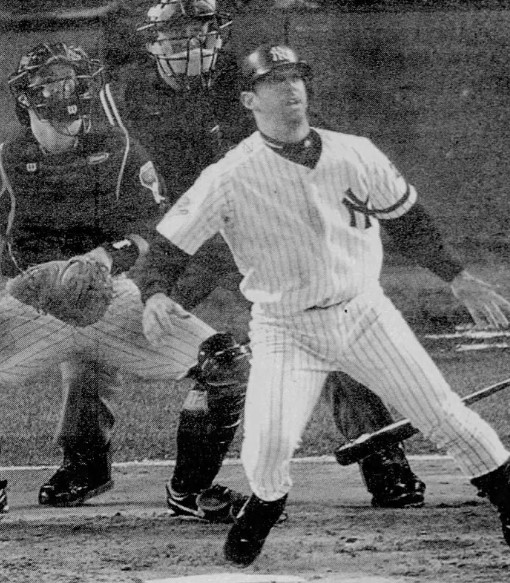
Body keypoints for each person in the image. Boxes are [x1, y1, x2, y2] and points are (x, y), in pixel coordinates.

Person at [135, 43, 510, 566]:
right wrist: (154, 294)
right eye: (273, 80)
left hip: (367, 317)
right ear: (249, 98)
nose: (290, 88)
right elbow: (169, 247)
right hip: (286, 329)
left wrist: (457, 277)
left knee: (448, 418)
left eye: (295, 77)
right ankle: (265, 506)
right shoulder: (229, 175)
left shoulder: (356, 151)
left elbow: (407, 219)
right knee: (266, 451)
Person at [103, 0, 427, 511]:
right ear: (150, 42)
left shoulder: (248, 80)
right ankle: (162, 481)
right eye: (177, 34)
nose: (191, 45)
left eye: (202, 31)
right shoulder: (124, 94)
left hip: (257, 235)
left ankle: (385, 463)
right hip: (184, 239)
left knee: (326, 324)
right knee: (159, 338)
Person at [0, 41, 250, 520]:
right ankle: (83, 466)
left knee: (224, 367)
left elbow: (158, 230)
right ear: (26, 97)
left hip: (114, 298)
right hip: (34, 304)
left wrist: (103, 257)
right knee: (81, 369)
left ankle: (190, 489)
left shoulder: (117, 148)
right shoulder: (8, 159)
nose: (64, 92)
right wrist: (29, 279)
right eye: (51, 83)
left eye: (72, 81)